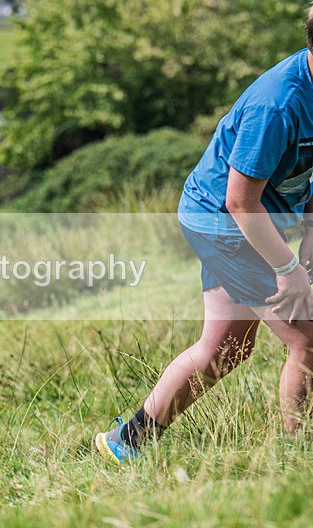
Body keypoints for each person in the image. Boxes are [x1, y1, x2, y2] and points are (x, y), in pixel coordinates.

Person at [94, 7, 313, 462]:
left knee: (225, 350)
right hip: (222, 220)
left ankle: (125, 443)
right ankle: (300, 456)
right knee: (308, 337)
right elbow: (239, 202)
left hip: (255, 219)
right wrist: (289, 270)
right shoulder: (278, 104)